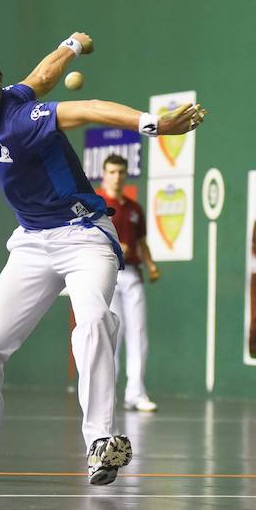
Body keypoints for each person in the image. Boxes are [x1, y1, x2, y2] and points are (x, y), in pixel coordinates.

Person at [0, 32, 206, 486]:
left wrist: (154, 125)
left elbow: (88, 108)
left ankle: (101, 441)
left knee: (94, 319)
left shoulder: (22, 117)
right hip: (30, 242)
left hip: (84, 236)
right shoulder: (8, 102)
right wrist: (74, 45)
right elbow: (43, 75)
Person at [97, 154, 161, 412]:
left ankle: (136, 393)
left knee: (138, 334)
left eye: (121, 172)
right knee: (113, 334)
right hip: (108, 274)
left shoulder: (135, 209)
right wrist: (113, 247)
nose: (117, 176)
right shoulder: (97, 205)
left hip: (133, 274)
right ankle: (107, 394)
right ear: (104, 174)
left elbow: (141, 242)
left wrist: (151, 264)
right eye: (112, 172)